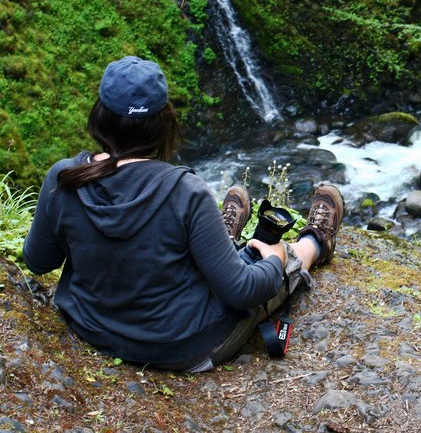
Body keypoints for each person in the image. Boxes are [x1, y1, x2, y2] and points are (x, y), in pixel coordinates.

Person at [23, 55, 343, 372]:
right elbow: (242, 291)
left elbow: (39, 261)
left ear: (100, 116)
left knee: (212, 255)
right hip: (182, 347)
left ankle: (222, 235)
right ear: (163, 125)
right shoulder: (185, 192)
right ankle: (315, 241)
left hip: (91, 327)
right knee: (267, 258)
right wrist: (275, 260)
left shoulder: (65, 177)